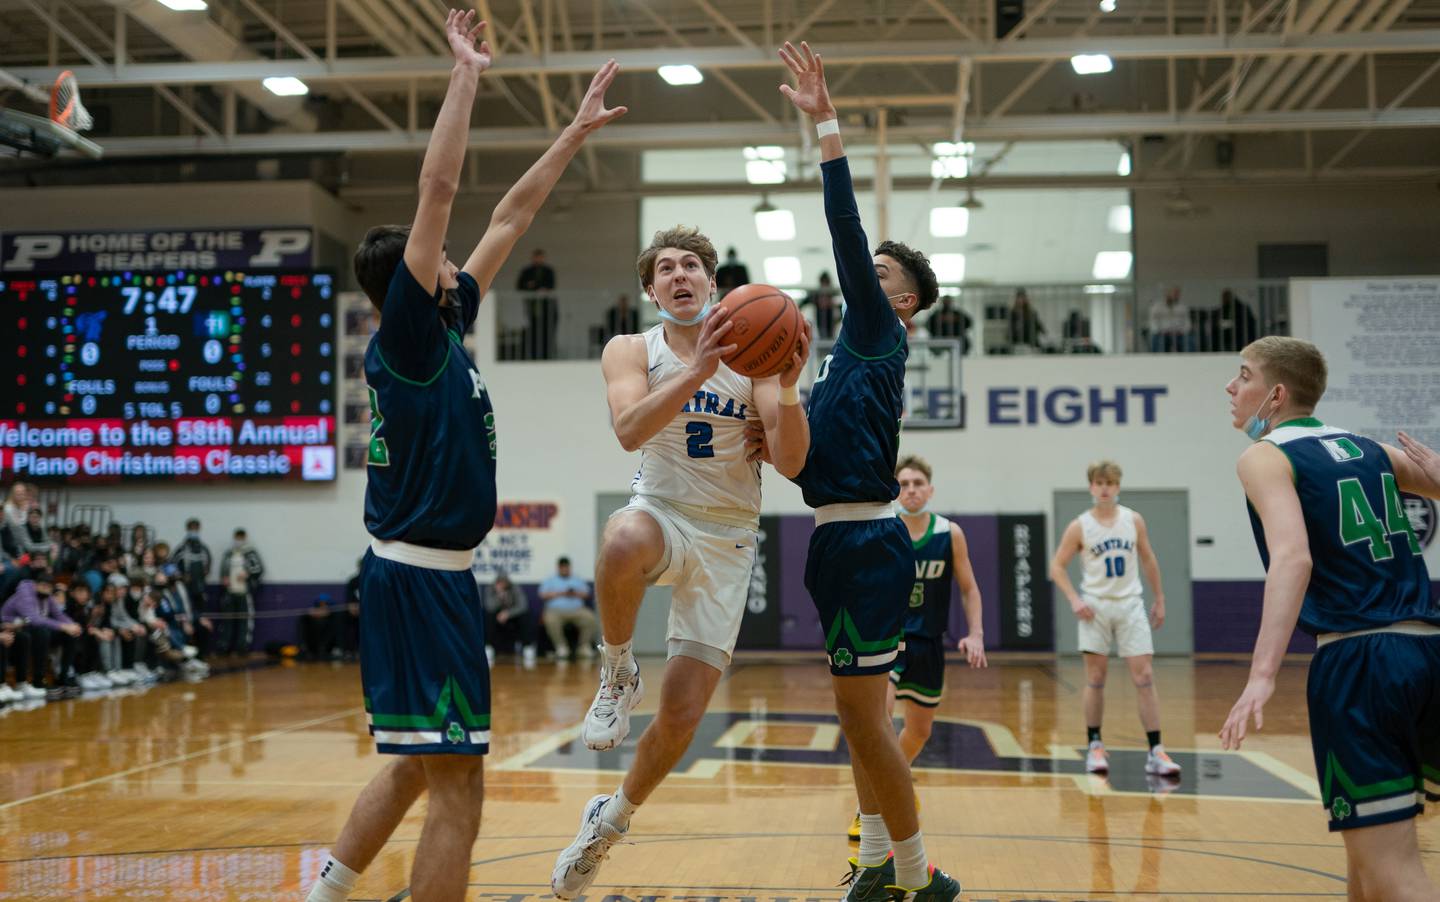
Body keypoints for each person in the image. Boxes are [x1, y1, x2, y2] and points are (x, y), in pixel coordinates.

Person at [304, 16, 627, 901]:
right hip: (419, 578)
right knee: (459, 783)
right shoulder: (407, 329)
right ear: (411, 276)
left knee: (416, 767)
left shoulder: (442, 326)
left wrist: (572, 132)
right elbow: (441, 185)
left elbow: (510, 215)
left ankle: (324, 891)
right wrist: (467, 75)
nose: (453, 258)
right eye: (439, 254)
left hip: (432, 579)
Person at [550, 223, 810, 899]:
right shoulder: (631, 348)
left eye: (690, 264)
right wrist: (696, 371)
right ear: (651, 288)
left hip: (728, 536)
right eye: (665, 268)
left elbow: (790, 463)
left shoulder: (754, 357)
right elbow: (629, 429)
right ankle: (617, 669)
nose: (679, 274)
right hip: (661, 509)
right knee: (619, 539)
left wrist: (786, 386)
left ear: (712, 280)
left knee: (683, 716)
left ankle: (609, 822)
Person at [776, 40, 959, 899]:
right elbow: (800, 459)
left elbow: (845, 230)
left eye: (880, 277)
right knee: (861, 724)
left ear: (905, 303)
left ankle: (914, 875)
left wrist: (828, 129)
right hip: (834, 539)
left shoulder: (881, 334)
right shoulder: (841, 361)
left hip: (870, 541)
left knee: (869, 726)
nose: (864, 279)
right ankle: (885, 863)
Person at [1218, 336, 1439, 899]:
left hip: (1361, 660)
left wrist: (1262, 675)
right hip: (1427, 649)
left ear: (1276, 394)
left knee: (1393, 868)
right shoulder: (1368, 448)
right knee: (1367, 855)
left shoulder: (1265, 457)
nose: (1231, 386)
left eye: (1243, 376)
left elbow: (1292, 557)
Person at [844, 455, 987, 842]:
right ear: (895, 489)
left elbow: (970, 588)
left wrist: (976, 633)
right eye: (904, 483)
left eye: (918, 483)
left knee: (920, 731)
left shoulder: (949, 533)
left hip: (929, 642)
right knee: (881, 719)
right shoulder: (883, 528)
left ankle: (896, 782)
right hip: (888, 640)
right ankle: (867, 808)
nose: (910, 489)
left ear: (931, 489)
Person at [1049, 461, 1180, 779]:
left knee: (1144, 677)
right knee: (1095, 679)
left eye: (1110, 482)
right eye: (1098, 482)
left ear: (1118, 486)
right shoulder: (1080, 525)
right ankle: (1094, 744)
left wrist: (1160, 598)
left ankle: (1156, 751)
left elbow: (1148, 558)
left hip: (1130, 605)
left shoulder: (1133, 520)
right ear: (1091, 487)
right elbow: (1057, 567)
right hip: (1095, 606)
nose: (1104, 487)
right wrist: (1074, 599)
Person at [539, 557, 597, 661]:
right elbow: (542, 595)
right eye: (563, 568)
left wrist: (574, 593)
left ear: (569, 568)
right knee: (550, 619)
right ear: (559, 568)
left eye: (567, 567)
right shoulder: (550, 580)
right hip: (556, 611)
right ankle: (561, 647)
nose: (565, 570)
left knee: (590, 618)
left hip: (577, 610)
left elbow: (586, 594)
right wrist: (560, 593)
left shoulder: (577, 579)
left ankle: (583, 647)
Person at [217, 529, 264, 656]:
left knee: (244, 621)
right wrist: (224, 577)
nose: (238, 541)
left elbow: (259, 569)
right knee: (227, 621)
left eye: (241, 538)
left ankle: (242, 648)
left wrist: (247, 574)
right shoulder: (229, 553)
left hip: (244, 592)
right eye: (236, 538)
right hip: (229, 592)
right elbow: (223, 570)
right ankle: (224, 647)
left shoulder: (251, 553)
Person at [483, 571, 534, 666]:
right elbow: (489, 606)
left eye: (504, 581)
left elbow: (523, 605)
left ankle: (527, 647)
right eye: (500, 581)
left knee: (526, 615)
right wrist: (499, 596)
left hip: (512, 616)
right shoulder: (490, 589)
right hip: (496, 617)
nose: (502, 584)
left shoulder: (515, 588)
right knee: (488, 616)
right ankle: (488, 647)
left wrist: (508, 613)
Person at [516, 248, 558, 359]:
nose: (538, 259)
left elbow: (551, 286)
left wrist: (538, 287)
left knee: (546, 331)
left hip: (545, 307)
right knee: (532, 331)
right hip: (531, 307)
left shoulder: (548, 271)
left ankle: (546, 355)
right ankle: (533, 355)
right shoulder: (527, 271)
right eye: (536, 257)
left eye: (540, 257)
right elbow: (520, 285)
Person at [173, 518, 212, 611]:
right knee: (187, 609)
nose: (194, 531)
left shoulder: (204, 549)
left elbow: (209, 564)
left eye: (196, 529)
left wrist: (207, 571)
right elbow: (172, 565)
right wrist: (181, 576)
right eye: (192, 529)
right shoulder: (181, 548)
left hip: (200, 586)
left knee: (201, 611)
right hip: (185, 586)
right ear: (187, 529)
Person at [1208, 288, 1259, 353]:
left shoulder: (1240, 308)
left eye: (1225, 297)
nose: (1223, 300)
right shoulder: (1228, 307)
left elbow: (1243, 322)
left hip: (1240, 334)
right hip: (1234, 334)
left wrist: (1230, 323)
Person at [1148, 286, 1193, 353]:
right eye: (1173, 293)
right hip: (1162, 334)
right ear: (1167, 294)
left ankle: (1190, 360)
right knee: (1157, 340)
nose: (1175, 296)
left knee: (1189, 341)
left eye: (1177, 294)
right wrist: (1160, 331)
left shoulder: (1183, 307)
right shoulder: (1157, 307)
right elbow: (1153, 322)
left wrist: (1182, 331)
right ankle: (1156, 359)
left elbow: (1187, 323)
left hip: (1179, 334)